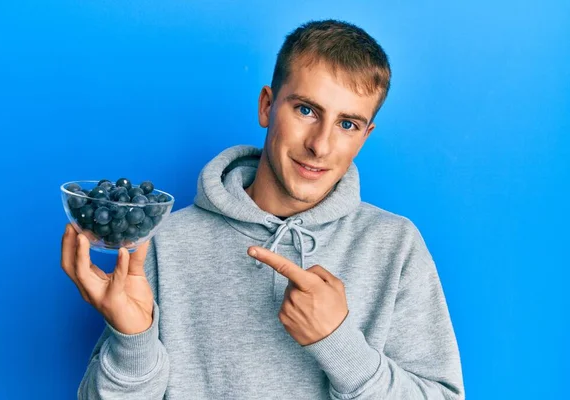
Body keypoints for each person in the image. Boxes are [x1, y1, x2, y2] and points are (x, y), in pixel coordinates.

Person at [61, 19, 464, 399]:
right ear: (267, 106)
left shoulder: (394, 245)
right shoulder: (163, 244)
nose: (320, 145)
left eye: (347, 124)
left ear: (365, 136)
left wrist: (340, 346)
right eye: (306, 110)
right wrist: (133, 340)